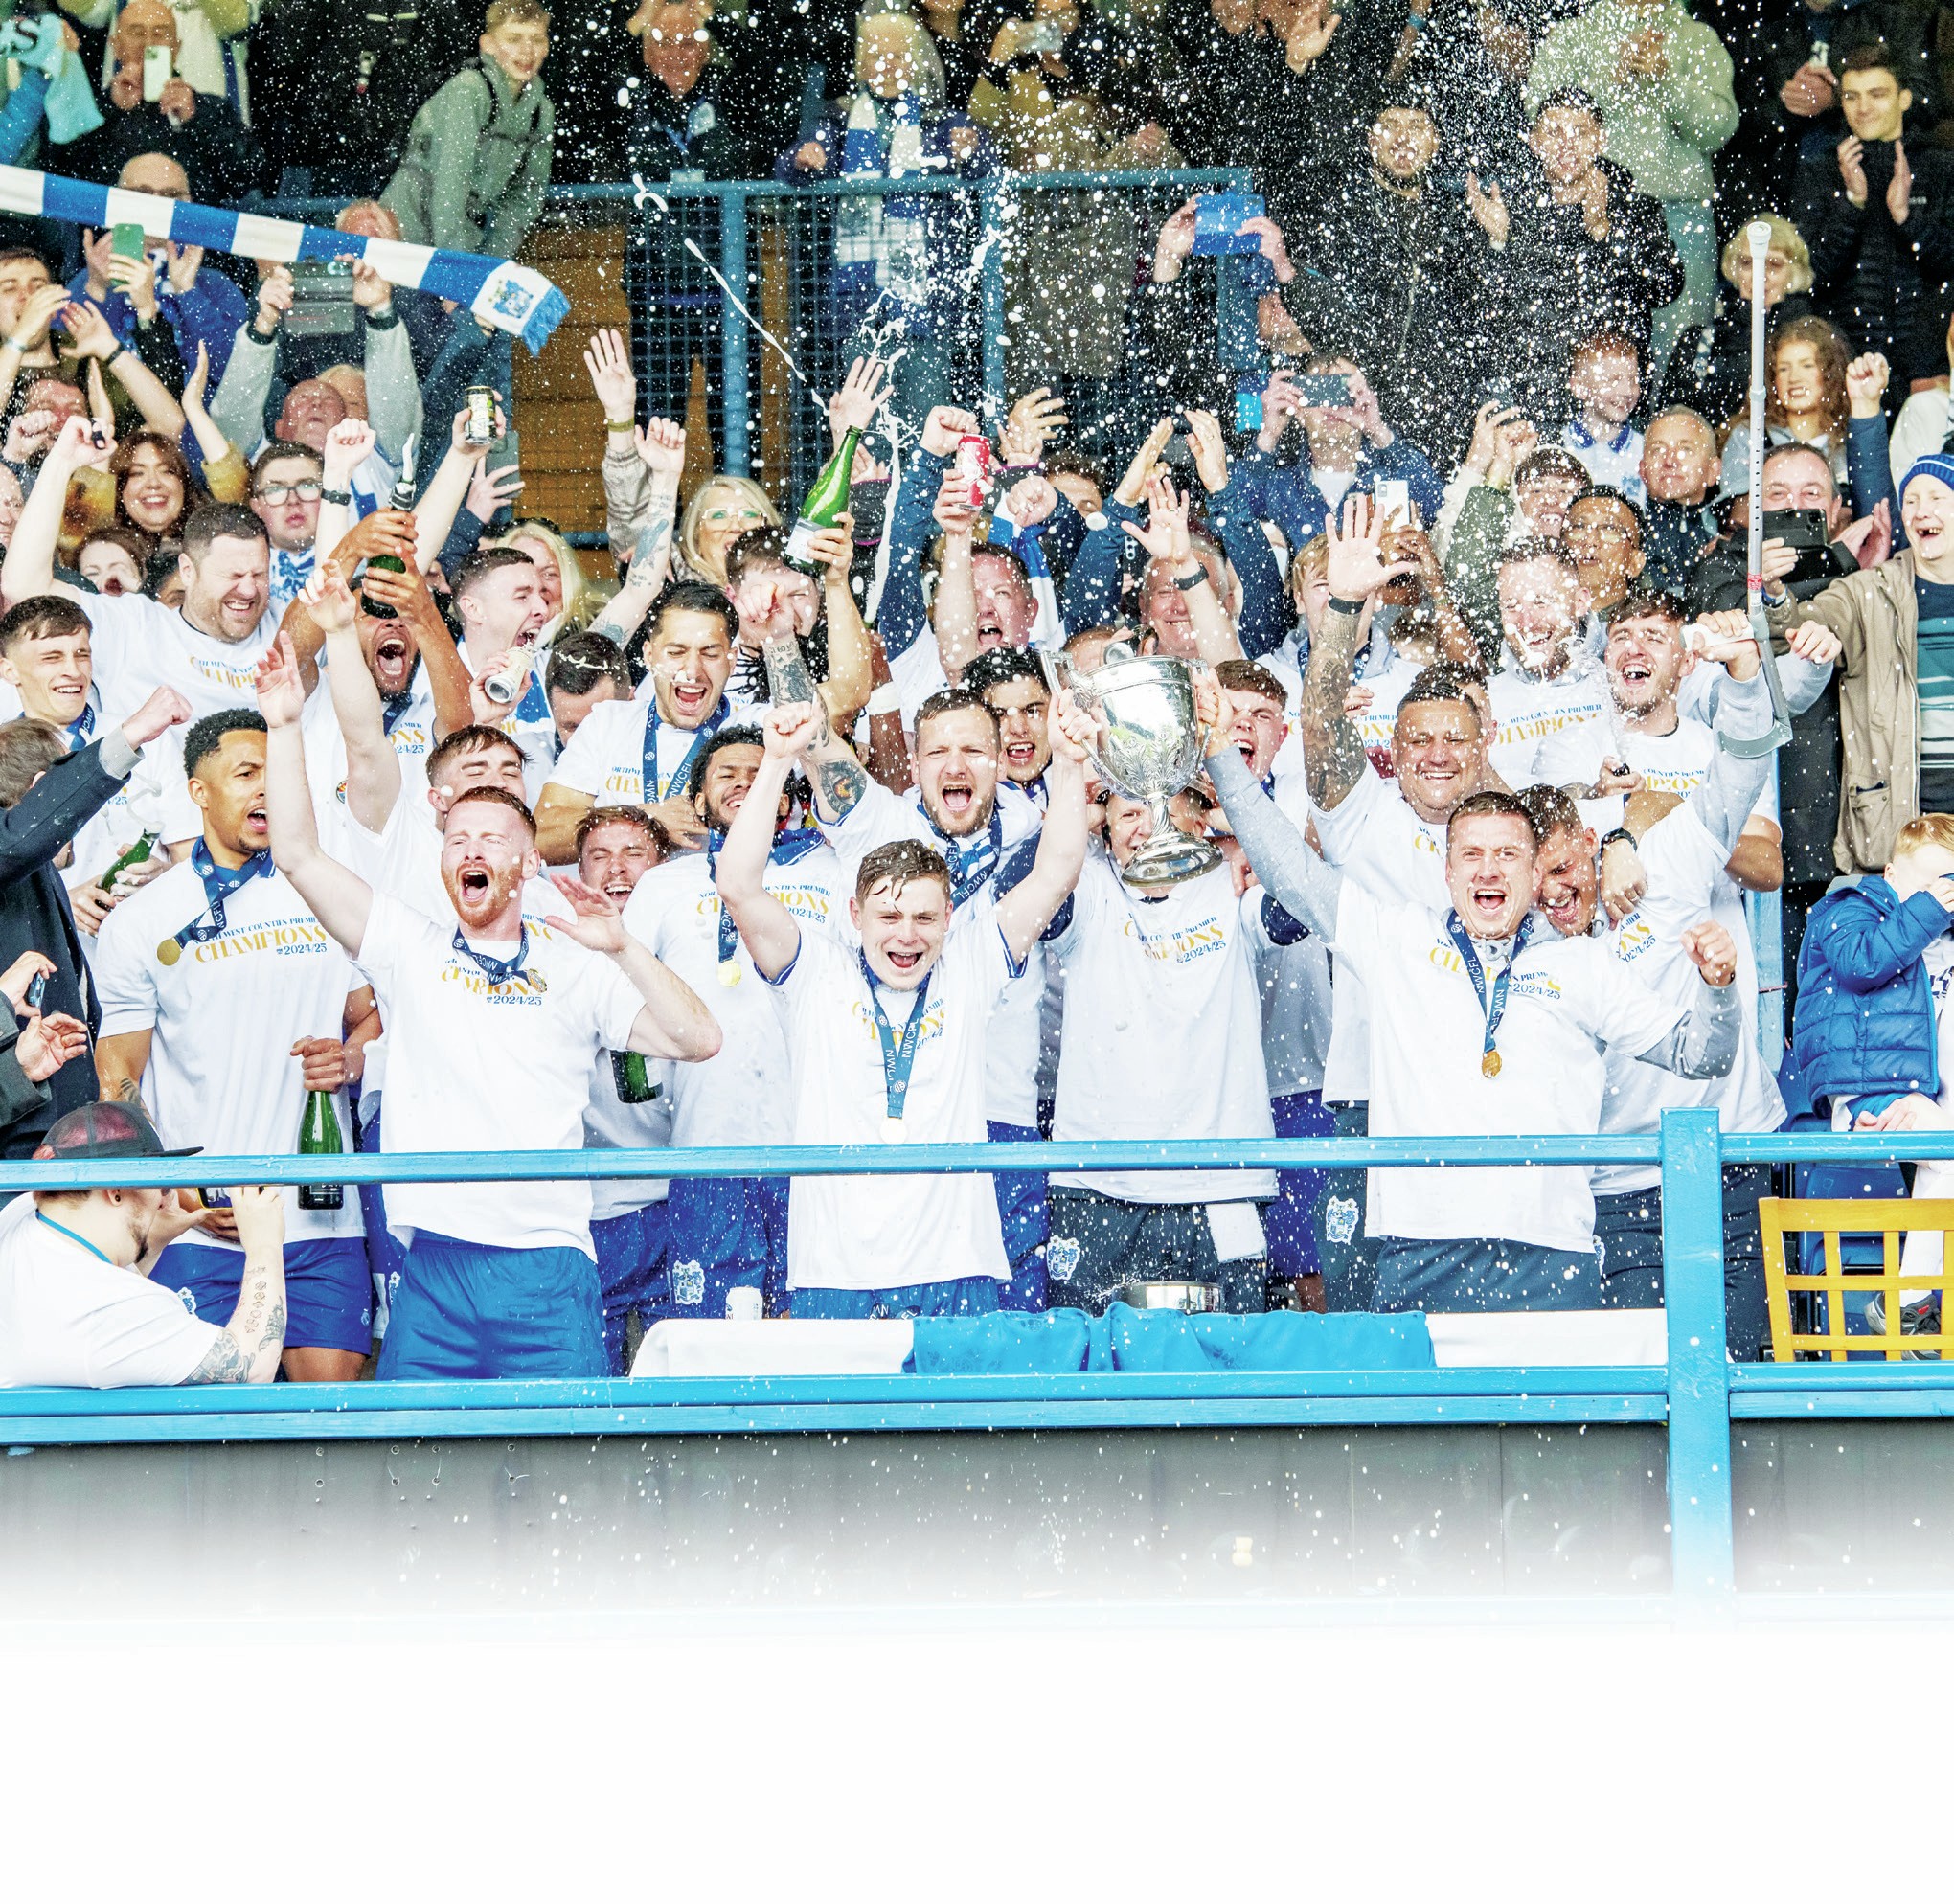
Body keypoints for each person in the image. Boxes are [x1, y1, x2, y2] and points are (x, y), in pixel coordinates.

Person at [1209, 600, 1744, 1313]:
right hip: (1421, 1252)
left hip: (1552, 1256)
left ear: (1536, 871)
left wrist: (1718, 988)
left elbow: (1702, 1056)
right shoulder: (1400, 940)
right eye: (1471, 856)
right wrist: (1221, 757)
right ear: (1447, 871)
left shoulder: (1579, 964)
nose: (1489, 870)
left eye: (1507, 856)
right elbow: (1288, 870)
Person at [255, 581, 720, 1381]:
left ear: (531, 861)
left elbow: (700, 1038)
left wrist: (623, 948)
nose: (472, 849)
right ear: (440, 851)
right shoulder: (410, 946)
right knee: (411, 1460)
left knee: (567, 1459)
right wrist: (284, 726)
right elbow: (297, 853)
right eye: (458, 837)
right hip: (435, 1268)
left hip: (549, 1266)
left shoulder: (575, 959)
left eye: (493, 837)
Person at [714, 691, 1091, 1320]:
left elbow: (1057, 872)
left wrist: (1071, 766)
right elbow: (736, 885)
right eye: (888, 917)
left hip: (954, 1267)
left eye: (923, 918)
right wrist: (777, 760)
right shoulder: (815, 973)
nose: (906, 937)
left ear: (950, 918)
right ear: (854, 914)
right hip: (833, 1271)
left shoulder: (969, 967)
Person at [93, 707, 374, 1382]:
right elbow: (116, 1075)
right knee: (209, 1423)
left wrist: (350, 1057)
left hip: (320, 1219)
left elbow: (372, 1017)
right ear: (198, 790)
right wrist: (182, 1190)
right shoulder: (143, 919)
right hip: (202, 1225)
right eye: (246, 773)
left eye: (275, 773)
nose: (265, 788)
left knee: (327, 1423)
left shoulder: (326, 890)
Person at [623, 725, 841, 1325]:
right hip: (705, 1148)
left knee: (813, 1337)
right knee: (713, 1342)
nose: (746, 784)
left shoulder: (834, 872)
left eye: (761, 774)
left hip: (812, 1152)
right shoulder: (663, 883)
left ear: (789, 797)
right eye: (728, 775)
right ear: (697, 800)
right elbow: (622, 1000)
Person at [0, 683, 190, 1158]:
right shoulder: (13, 857)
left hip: (57, 1138)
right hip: (19, 1147)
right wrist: (131, 735)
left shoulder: (39, 872)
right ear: (42, 791)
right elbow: (19, 841)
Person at [0, 1101, 288, 1389]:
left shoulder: (19, 1215)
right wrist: (264, 1246)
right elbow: (253, 1366)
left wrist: (151, 1241)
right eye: (158, 1184)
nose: (164, 1197)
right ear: (115, 1192)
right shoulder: (108, 1309)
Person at [6, 420, 279, 722]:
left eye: (259, 575)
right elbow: (23, 586)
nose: (249, 589)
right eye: (233, 576)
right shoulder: (134, 627)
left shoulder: (286, 621)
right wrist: (61, 461)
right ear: (187, 571)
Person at [1524, 0, 1738, 378]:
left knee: (1681, 361)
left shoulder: (1696, 37)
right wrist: (1611, 80)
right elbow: (1540, 117)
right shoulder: (1575, 34)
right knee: (1592, 363)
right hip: (1593, 212)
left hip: (1681, 214)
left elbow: (1718, 131)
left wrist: (1668, 82)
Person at [1765, 449, 1954, 873]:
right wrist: (1775, 598)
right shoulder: (1870, 592)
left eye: (1937, 498)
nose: (1921, 511)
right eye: (1911, 501)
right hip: (1901, 829)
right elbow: (1803, 622)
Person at [1466, 88, 1685, 419]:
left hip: (1611, 408)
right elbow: (1482, 308)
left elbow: (1667, 286)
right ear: (1534, 142)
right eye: (1554, 132)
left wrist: (1606, 232)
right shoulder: (1509, 206)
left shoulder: (1634, 207)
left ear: (1600, 141)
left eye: (1580, 132)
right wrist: (1497, 242)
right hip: (1531, 400)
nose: (1567, 144)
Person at [0, 594, 196, 934]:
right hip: (53, 956)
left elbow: (195, 860)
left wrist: (163, 878)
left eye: (82, 654)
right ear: (8, 669)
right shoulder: (3, 754)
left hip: (148, 941)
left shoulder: (150, 737)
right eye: (52, 658)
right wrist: (61, 905)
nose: (73, 671)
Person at [572, 804, 676, 1371]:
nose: (617, 868)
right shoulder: (557, 955)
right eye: (600, 856)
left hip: (679, 1197)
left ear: (663, 867)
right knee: (595, 1377)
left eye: (634, 853)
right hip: (592, 1204)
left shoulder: (692, 941)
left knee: (678, 1376)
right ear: (579, 873)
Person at [1792, 41, 1954, 397]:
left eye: (1877, 94)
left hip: (1928, 371)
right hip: (1846, 366)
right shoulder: (1819, 172)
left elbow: (1949, 266)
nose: (1863, 108)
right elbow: (1809, 276)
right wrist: (1852, 204)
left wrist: (1907, 219)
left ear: (1905, 99)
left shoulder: (1941, 168)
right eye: (1851, 97)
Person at [381, 0, 555, 261]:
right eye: (514, 39)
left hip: (464, 240)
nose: (527, 50)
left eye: (537, 40)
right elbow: (449, 185)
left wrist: (494, 261)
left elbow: (525, 197)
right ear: (488, 44)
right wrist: (457, 267)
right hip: (404, 236)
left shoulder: (541, 111)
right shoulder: (468, 90)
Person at [1485, 538, 1612, 783]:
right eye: (1511, 606)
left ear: (1580, 603)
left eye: (1541, 602)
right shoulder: (1485, 701)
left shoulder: (1619, 686)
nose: (1527, 623)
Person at [1638, 405, 1722, 591]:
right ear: (1643, 470)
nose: (1669, 461)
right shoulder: (1630, 536)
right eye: (1658, 450)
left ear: (1713, 470)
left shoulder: (1729, 531)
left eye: (1685, 450)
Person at [1561, 330, 1646, 502]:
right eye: (1613, 380)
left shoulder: (1644, 451)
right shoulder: (1560, 446)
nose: (1627, 391)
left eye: (1633, 380)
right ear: (1579, 388)